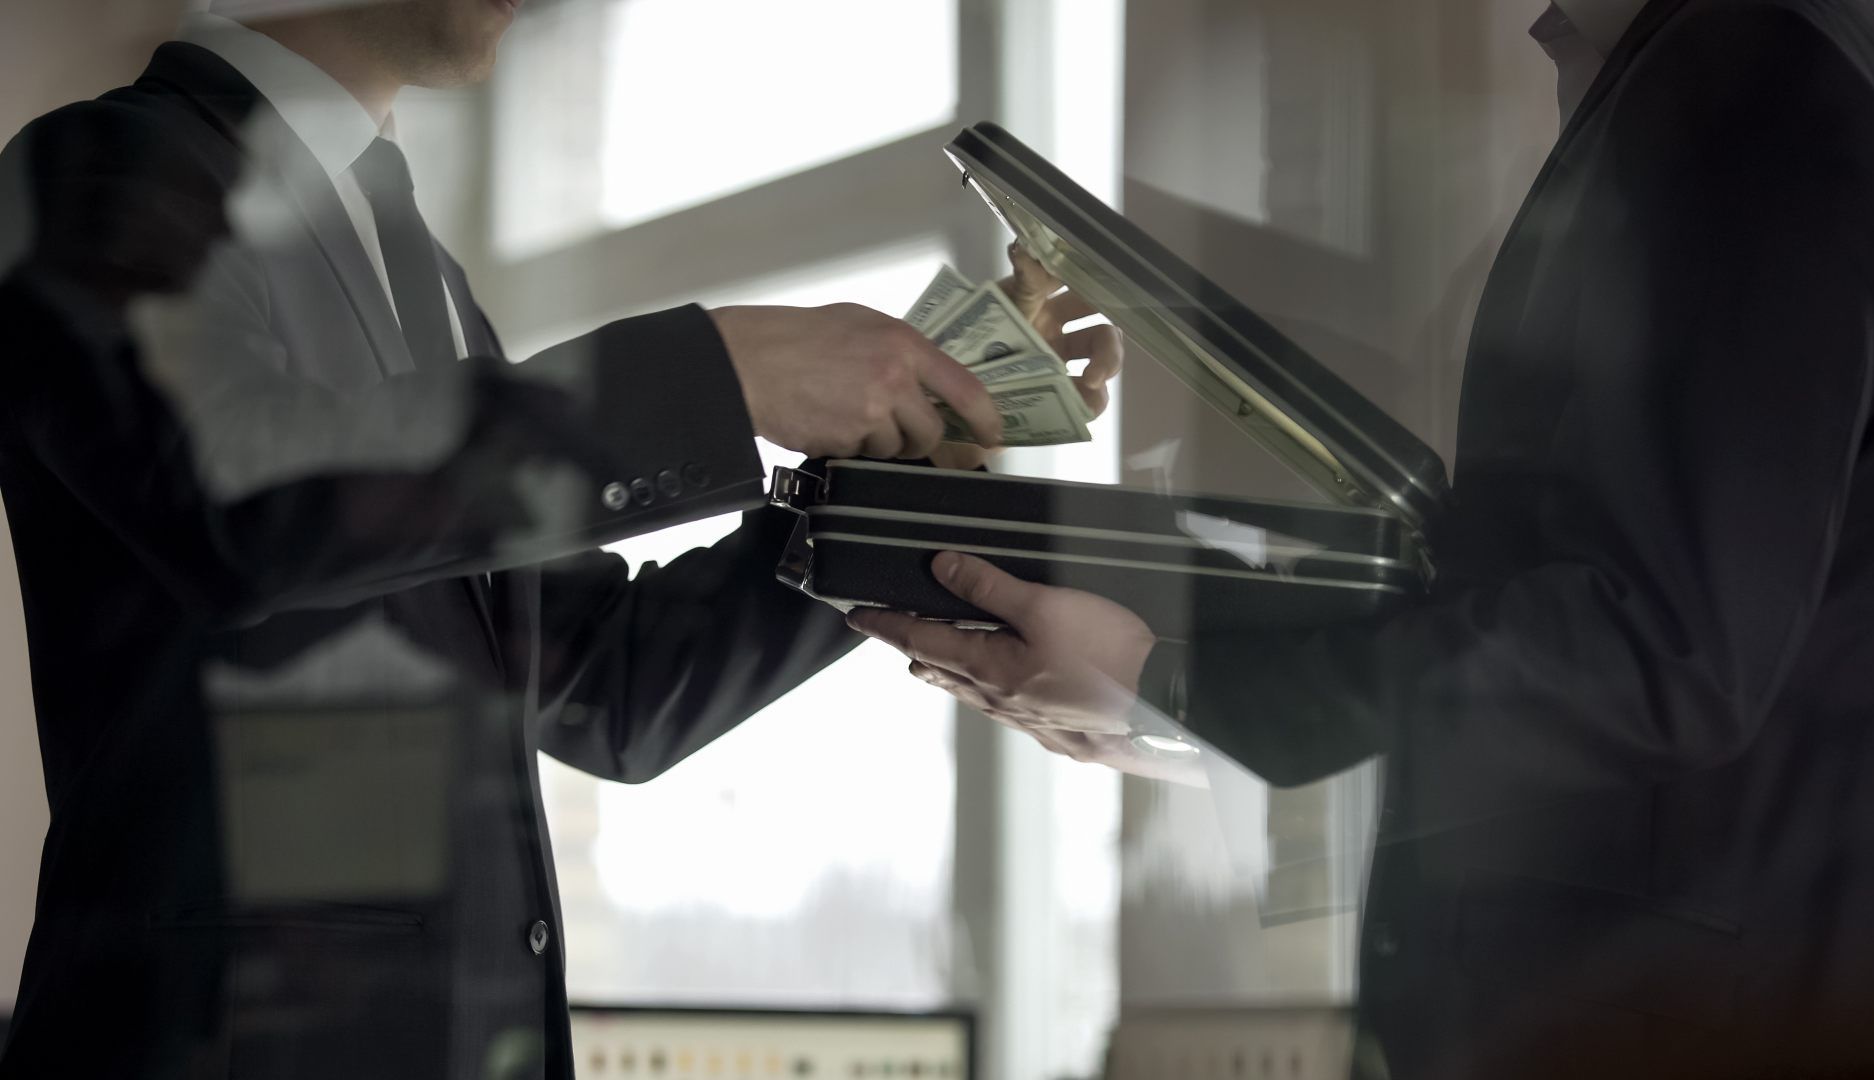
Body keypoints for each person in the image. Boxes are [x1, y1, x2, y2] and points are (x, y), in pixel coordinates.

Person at [0, 2, 1119, 1078]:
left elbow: (610, 686)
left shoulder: (420, 271)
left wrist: (916, 460)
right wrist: (717, 371)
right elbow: (231, 495)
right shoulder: (91, 167)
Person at [852, 0, 1874, 1076]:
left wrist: (1179, 690)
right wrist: (1178, 708)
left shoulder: (1760, 70)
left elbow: (1662, 651)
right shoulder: (1734, 64)